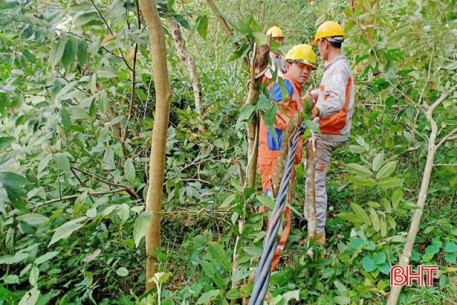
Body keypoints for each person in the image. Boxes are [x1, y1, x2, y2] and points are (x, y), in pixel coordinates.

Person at [258, 44, 317, 270]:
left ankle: (268, 259)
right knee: (277, 207)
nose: (305, 71)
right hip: (275, 156)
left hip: (281, 157)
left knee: (278, 205)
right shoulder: (283, 86)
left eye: (309, 69)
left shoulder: (292, 87)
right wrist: (299, 121)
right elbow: (277, 116)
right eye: (301, 66)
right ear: (289, 64)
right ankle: (268, 264)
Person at [306, 21, 355, 245]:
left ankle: (317, 236)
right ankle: (314, 226)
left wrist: (316, 110)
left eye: (319, 45)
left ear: (325, 43)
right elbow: (331, 91)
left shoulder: (337, 68)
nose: (319, 49)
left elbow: (335, 101)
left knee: (317, 182)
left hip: (329, 132)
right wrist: (316, 94)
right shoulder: (336, 66)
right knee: (314, 178)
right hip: (330, 129)